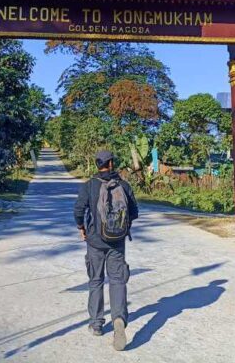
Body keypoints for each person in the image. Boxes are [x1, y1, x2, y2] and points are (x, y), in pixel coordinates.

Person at [73, 149, 139, 351]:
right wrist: (119, 229)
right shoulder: (124, 186)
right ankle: (118, 319)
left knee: (96, 281)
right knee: (118, 281)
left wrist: (82, 228)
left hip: (94, 242)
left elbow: (78, 211)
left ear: (97, 164)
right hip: (117, 243)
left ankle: (96, 324)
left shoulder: (89, 186)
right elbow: (134, 213)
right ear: (112, 163)